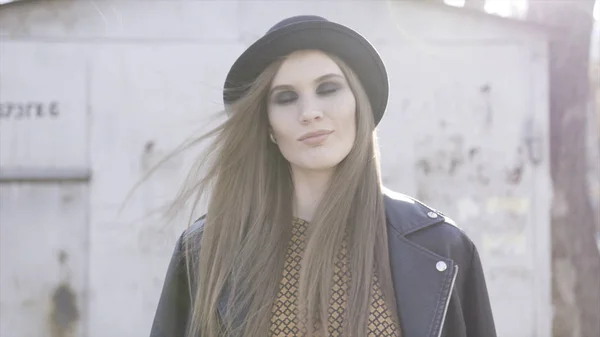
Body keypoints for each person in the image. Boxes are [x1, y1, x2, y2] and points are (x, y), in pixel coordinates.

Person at [149, 15, 497, 337]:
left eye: (328, 89)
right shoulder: (205, 248)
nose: (310, 112)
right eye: (285, 98)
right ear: (268, 127)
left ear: (360, 104)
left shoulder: (440, 246)